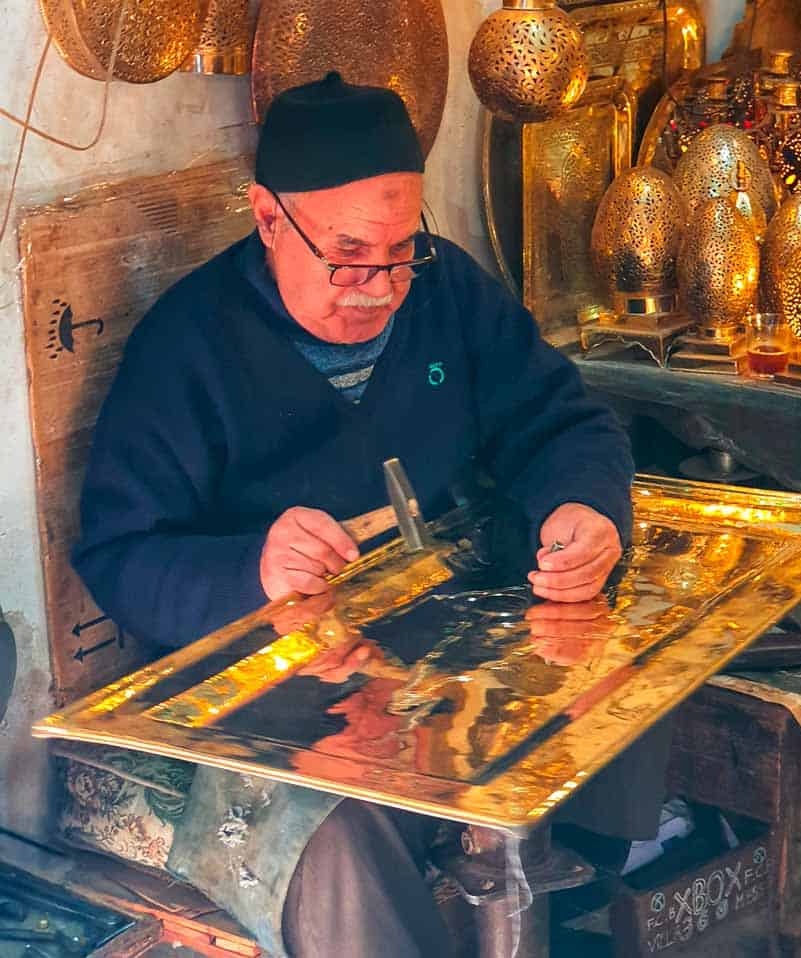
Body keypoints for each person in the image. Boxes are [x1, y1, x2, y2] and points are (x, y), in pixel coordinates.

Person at [73, 72, 671, 958]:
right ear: (270, 219)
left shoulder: (446, 291)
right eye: (349, 255)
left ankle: (579, 910)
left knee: (620, 663)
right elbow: (121, 553)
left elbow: (561, 419)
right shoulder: (188, 346)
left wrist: (584, 508)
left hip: (444, 621)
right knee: (339, 831)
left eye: (401, 250)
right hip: (282, 677)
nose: (381, 285)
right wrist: (252, 570)